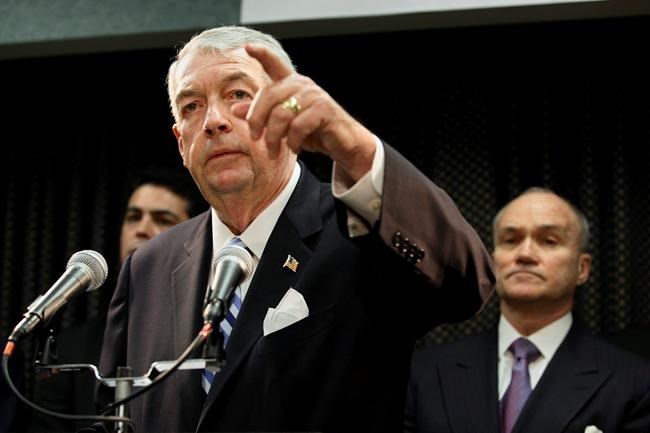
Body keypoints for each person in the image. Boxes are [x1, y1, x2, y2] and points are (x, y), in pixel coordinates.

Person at [98, 25, 494, 433]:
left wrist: (354, 146)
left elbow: (466, 284)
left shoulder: (358, 230)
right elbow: (113, 418)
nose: (213, 121)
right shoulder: (147, 267)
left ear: (287, 112)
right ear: (182, 143)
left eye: (238, 94)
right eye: (192, 106)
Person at [405, 187, 650, 433]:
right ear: (493, 262)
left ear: (582, 268)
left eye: (549, 241)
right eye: (510, 241)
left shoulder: (635, 383)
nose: (524, 254)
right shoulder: (425, 373)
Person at [29, 167, 205, 433]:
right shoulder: (70, 350)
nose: (142, 229)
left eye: (162, 219)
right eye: (133, 217)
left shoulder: (206, 338)